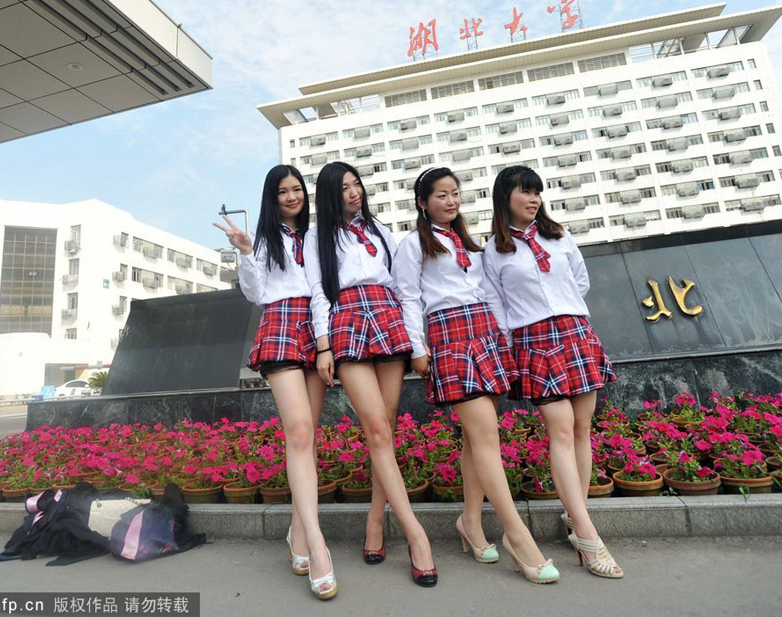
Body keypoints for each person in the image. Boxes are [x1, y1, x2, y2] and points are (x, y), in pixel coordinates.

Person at [393, 166, 559, 584]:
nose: (451, 201)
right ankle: (518, 536)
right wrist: (417, 347)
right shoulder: (414, 244)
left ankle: (470, 522)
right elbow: (409, 298)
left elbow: (488, 293)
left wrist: (502, 337)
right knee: (487, 435)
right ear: (422, 202)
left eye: (455, 194)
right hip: (448, 336)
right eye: (441, 195)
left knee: (475, 438)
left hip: (484, 333)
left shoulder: (472, 243)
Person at [483, 165, 623, 579]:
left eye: (537, 193)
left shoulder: (559, 236)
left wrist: (565, 316)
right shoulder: (493, 251)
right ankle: (587, 534)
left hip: (576, 330)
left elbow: (579, 281)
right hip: (534, 339)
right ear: (505, 197)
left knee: (582, 428)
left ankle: (574, 516)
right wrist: (514, 345)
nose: (533, 199)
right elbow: (495, 305)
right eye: (525, 192)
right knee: (560, 429)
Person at [304, 161, 438, 587]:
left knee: (388, 430)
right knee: (377, 429)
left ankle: (375, 522)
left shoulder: (379, 229)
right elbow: (319, 291)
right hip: (347, 321)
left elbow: (401, 285)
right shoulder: (316, 236)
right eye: (343, 188)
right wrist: (324, 345)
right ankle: (416, 536)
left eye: (356, 184)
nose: (353, 192)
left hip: (387, 315)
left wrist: (415, 340)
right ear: (329, 194)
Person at [214, 164, 337, 600]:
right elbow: (255, 292)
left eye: (297, 189)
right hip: (281, 325)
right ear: (272, 197)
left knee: (308, 438)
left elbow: (322, 290)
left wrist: (324, 344)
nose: (292, 196)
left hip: (315, 328)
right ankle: (317, 545)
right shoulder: (265, 239)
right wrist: (246, 252)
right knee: (299, 431)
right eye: (283, 191)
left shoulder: (317, 237)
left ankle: (297, 532)